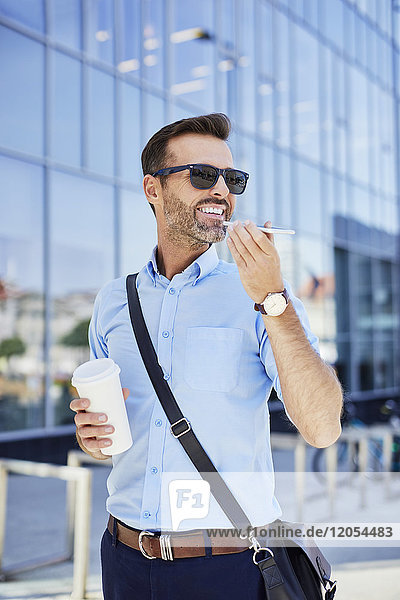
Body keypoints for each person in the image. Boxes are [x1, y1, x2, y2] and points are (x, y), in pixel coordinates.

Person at [70, 113, 343, 600]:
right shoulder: (114, 301)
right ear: (153, 189)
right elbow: (112, 440)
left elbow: (323, 428)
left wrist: (273, 299)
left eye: (232, 179)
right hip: (123, 559)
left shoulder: (262, 296)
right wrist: (94, 439)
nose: (222, 190)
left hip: (229, 569)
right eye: (202, 175)